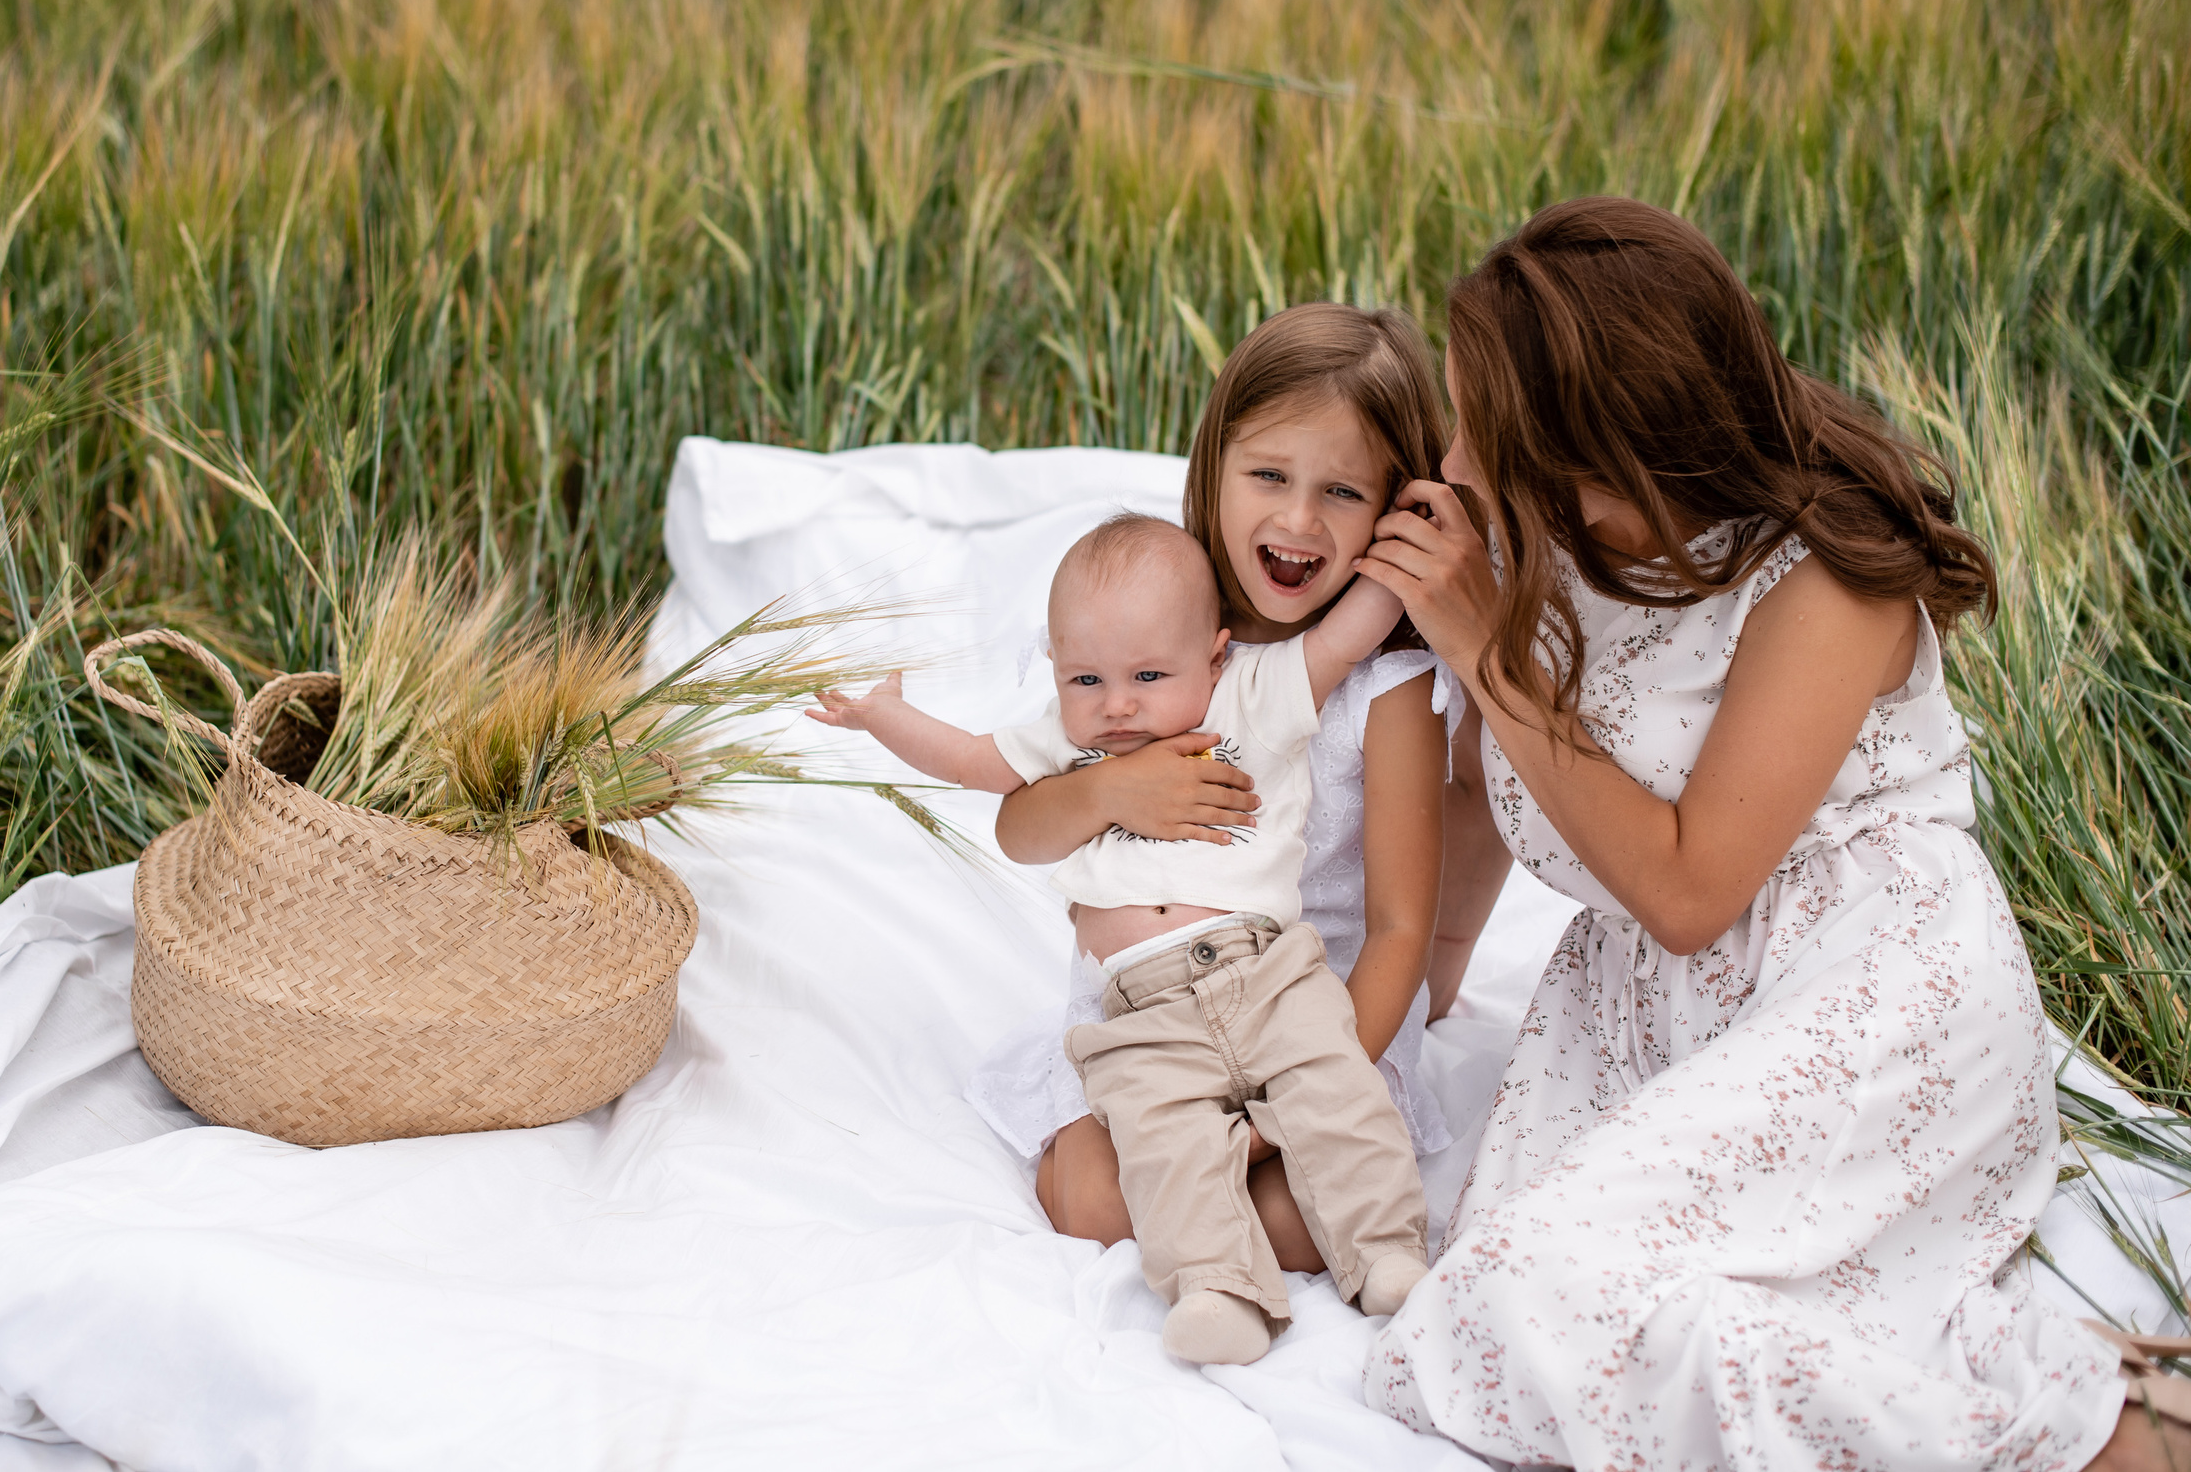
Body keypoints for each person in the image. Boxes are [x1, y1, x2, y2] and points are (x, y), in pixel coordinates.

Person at [1347, 195, 2187, 1469]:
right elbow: (1477, 791)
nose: (1455, 461)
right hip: (1641, 1014)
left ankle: (2089, 1433)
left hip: (1867, 986)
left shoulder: (1827, 573)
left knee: (1533, 1302)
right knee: (1477, 1315)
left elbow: (1692, 889)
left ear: (1609, 448)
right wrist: (1420, 1007)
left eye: (1487, 428)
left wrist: (1485, 650)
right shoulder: (1547, 529)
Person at [964, 304, 1506, 1281]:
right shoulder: (1150, 643)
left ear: (1390, 510)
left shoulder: (1383, 691)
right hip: (1145, 1030)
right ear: (1211, 467)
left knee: (1303, 1221)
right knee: (1093, 1197)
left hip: (1316, 1031)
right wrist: (1111, 788)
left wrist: (1293, 1098)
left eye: (1343, 490)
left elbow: (1395, 930)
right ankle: (1183, 1197)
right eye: (1267, 474)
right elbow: (1021, 827)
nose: (1299, 521)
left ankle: (1224, 1211)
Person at [814, 508, 1431, 1364]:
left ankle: (1389, 1251)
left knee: (1334, 1095)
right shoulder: (1070, 748)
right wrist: (884, 716)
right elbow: (970, 761)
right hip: (1140, 1010)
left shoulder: (1250, 696)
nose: (1118, 705)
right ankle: (1218, 1288)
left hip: (1268, 971)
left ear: (1214, 657)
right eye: (1087, 682)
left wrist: (1413, 543)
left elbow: (1342, 637)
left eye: (1146, 674)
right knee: (1165, 1146)